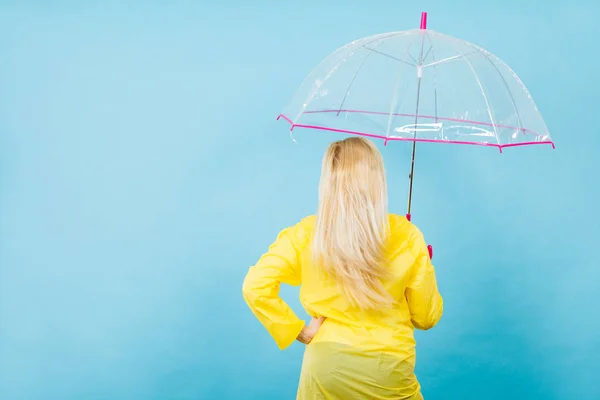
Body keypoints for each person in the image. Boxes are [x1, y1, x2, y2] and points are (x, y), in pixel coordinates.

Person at [242, 137, 443, 399]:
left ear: (329, 181)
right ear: (376, 180)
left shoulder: (306, 233)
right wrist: (424, 264)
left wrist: (298, 331)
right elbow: (425, 318)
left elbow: (255, 285)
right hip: (387, 368)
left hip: (325, 367)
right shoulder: (406, 235)